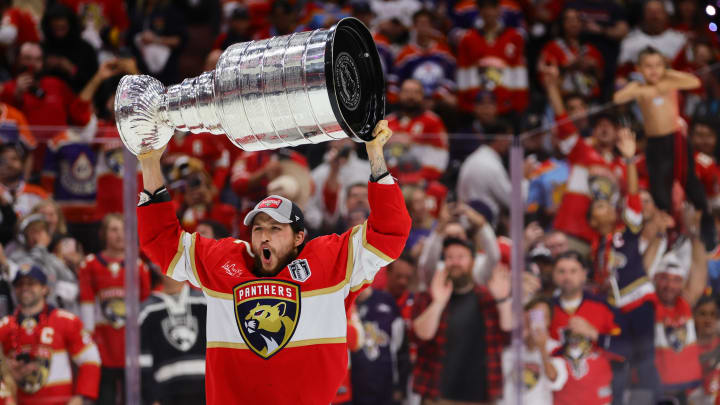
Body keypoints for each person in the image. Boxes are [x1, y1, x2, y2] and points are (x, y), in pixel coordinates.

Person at [137, 120, 411, 404]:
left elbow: (389, 233)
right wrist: (149, 163)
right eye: (259, 229)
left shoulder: (330, 261)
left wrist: (375, 155)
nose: (265, 237)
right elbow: (161, 242)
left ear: (298, 237)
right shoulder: (224, 262)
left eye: (276, 229)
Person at [613, 46, 711, 248]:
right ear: (639, 69)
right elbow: (618, 98)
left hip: (676, 139)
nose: (654, 70)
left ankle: (708, 230)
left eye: (658, 65)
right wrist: (636, 82)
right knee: (659, 187)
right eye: (648, 66)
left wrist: (668, 72)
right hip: (655, 144)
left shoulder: (670, 82)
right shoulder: (641, 90)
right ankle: (665, 236)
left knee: (689, 181)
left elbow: (695, 81)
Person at [411, 237, 513, 404]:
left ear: (473, 262)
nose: (455, 262)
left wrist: (502, 301)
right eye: (449, 257)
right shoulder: (428, 296)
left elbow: (509, 335)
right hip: (437, 396)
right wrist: (438, 303)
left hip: (480, 397)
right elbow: (420, 336)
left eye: (461, 257)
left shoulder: (487, 297)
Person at [0, 264, 101, 405]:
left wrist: (80, 397)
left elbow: (90, 359)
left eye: (31, 283)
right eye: (20, 284)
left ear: (45, 289)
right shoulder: (4, 326)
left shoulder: (66, 320)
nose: (25, 288)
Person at [78, 214, 152, 405]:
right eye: (114, 229)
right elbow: (86, 304)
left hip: (131, 346)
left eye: (124, 229)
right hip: (103, 345)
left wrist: (144, 342)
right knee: (106, 398)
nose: (120, 235)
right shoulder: (90, 264)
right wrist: (89, 339)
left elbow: (146, 308)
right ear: (104, 234)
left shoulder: (139, 267)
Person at [548, 251, 619, 405]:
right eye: (561, 271)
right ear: (553, 275)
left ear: (584, 274)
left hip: (599, 398)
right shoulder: (545, 309)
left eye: (573, 271)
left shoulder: (603, 307)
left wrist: (594, 333)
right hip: (559, 399)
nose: (567, 276)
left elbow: (623, 350)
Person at [140, 271, 207, 405]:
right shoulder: (147, 311)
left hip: (206, 388)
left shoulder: (205, 301)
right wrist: (152, 397)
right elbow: (143, 360)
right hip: (167, 393)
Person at [456, 0, 527, 116]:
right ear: (479, 11)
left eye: (492, 8)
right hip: (476, 108)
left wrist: (519, 106)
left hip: (507, 108)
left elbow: (519, 73)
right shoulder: (468, 39)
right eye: (485, 8)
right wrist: (466, 106)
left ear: (499, 10)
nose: (489, 12)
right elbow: (463, 73)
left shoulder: (514, 37)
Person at [499, 297, 565, 405]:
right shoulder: (510, 347)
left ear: (549, 322)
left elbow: (555, 380)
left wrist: (542, 349)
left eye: (543, 317)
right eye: (534, 315)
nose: (537, 322)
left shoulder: (555, 347)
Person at [351, 285, 409, 405]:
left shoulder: (386, 300)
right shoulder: (344, 303)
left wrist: (400, 386)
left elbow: (401, 347)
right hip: (354, 388)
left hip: (386, 385)